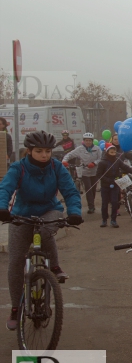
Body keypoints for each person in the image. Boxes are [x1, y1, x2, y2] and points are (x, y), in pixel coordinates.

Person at [0, 131, 82, 330]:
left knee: (46, 231)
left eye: (47, 151)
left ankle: (54, 266)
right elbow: (5, 188)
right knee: (16, 261)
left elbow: (70, 191)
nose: (44, 155)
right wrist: (2, 208)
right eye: (39, 151)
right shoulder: (18, 167)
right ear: (29, 151)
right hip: (21, 213)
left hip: (50, 209)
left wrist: (74, 211)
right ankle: (15, 307)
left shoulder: (56, 167)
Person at [96, 143, 132, 228]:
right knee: (105, 203)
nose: (113, 154)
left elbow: (126, 168)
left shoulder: (117, 161)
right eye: (111, 152)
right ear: (107, 152)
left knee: (114, 202)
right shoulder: (102, 162)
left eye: (114, 152)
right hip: (105, 186)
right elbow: (99, 175)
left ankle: (113, 220)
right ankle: (104, 220)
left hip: (115, 185)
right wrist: (109, 180)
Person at [62, 132, 102, 214]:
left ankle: (92, 203)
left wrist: (94, 163)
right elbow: (69, 155)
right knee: (88, 189)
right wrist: (64, 160)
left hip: (94, 172)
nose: (88, 142)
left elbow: (101, 158)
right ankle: (91, 207)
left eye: (90, 140)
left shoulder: (97, 149)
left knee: (93, 189)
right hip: (85, 172)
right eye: (86, 140)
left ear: (92, 141)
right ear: (84, 141)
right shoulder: (79, 149)